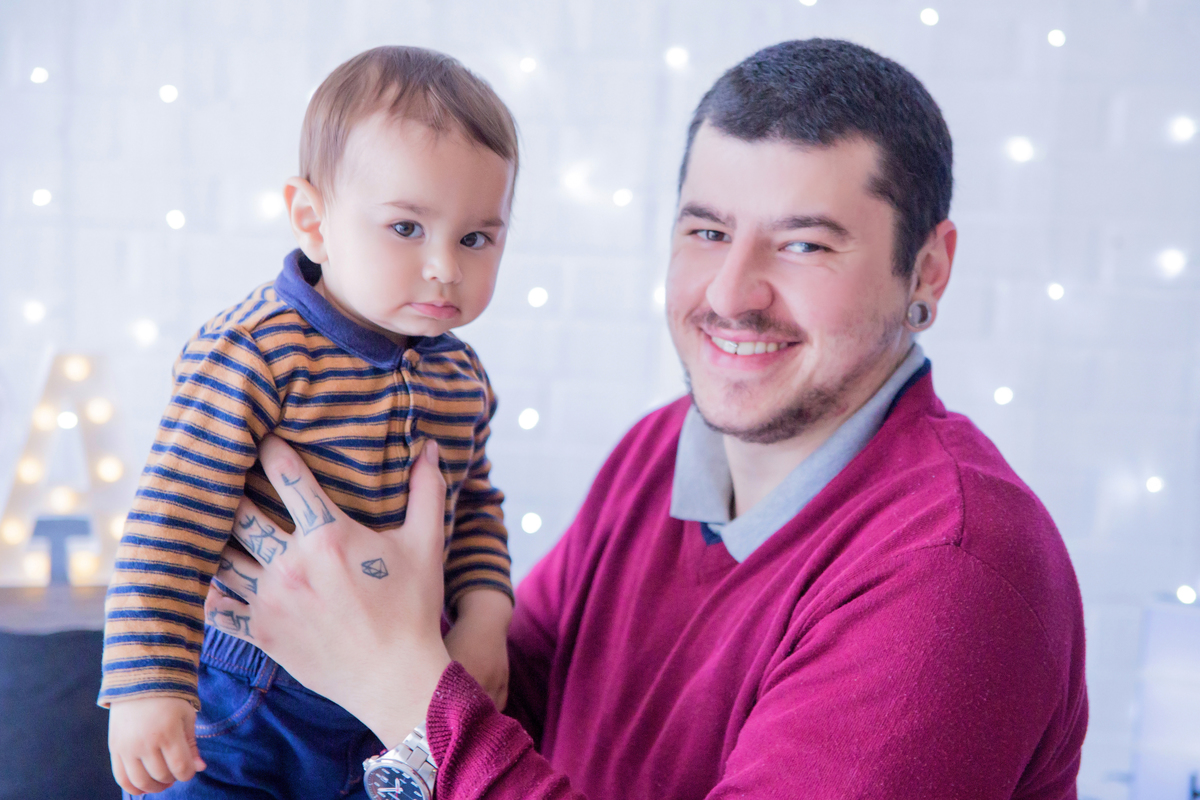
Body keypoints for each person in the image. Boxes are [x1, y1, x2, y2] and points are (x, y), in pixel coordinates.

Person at [205, 39, 1089, 798]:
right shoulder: (664, 448)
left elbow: (436, 713)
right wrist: (327, 608)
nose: (732, 294)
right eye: (706, 232)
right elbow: (505, 701)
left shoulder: (952, 568)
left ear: (927, 271)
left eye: (804, 244)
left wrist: (397, 686)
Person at [100, 46, 520, 797]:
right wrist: (146, 684)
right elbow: (172, 517)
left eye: (476, 237)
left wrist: (486, 615)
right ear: (312, 219)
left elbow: (476, 507)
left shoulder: (461, 376)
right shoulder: (254, 350)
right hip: (245, 691)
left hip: (389, 697)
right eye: (406, 228)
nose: (445, 267)